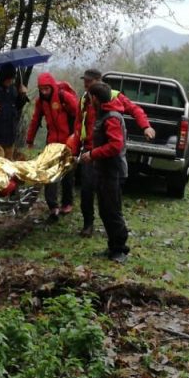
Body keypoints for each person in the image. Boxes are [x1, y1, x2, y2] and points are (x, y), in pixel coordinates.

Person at [74, 69, 153, 237]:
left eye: (89, 81)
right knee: (86, 190)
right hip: (89, 151)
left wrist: (145, 126)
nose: (86, 85)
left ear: (99, 80)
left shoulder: (114, 98)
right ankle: (88, 224)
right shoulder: (84, 100)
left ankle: (115, 228)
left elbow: (135, 110)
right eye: (84, 81)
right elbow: (78, 125)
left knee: (110, 196)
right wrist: (75, 151)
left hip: (105, 155)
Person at [79, 82, 130, 262]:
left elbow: (115, 146)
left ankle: (120, 250)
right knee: (104, 210)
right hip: (103, 170)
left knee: (112, 211)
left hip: (113, 171)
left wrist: (93, 154)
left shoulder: (111, 118)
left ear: (95, 98)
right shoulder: (103, 115)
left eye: (89, 96)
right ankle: (113, 247)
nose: (88, 99)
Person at [26, 72, 80, 222]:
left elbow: (79, 115)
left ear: (51, 87)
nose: (44, 92)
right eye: (41, 89)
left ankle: (67, 203)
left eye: (46, 89)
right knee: (49, 174)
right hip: (52, 142)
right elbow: (35, 120)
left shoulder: (64, 97)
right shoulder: (41, 102)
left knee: (67, 173)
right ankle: (53, 206)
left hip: (68, 141)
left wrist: (77, 136)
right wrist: (30, 139)